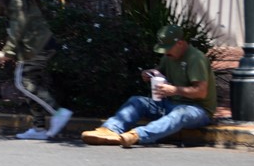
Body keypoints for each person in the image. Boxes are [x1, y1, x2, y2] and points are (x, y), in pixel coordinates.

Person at [81, 24, 216, 147]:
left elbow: (201, 92)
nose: (165, 53)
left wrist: (174, 90)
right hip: (170, 103)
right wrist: (150, 74)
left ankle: (137, 135)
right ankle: (110, 130)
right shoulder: (169, 57)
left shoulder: (196, 58)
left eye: (168, 49)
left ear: (180, 43)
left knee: (180, 113)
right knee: (136, 101)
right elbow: (159, 72)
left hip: (198, 110)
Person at [0, 0, 72, 140]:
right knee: (32, 85)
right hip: (43, 45)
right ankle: (38, 128)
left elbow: (18, 26)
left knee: (23, 83)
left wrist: (7, 52)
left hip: (36, 48)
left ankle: (58, 112)